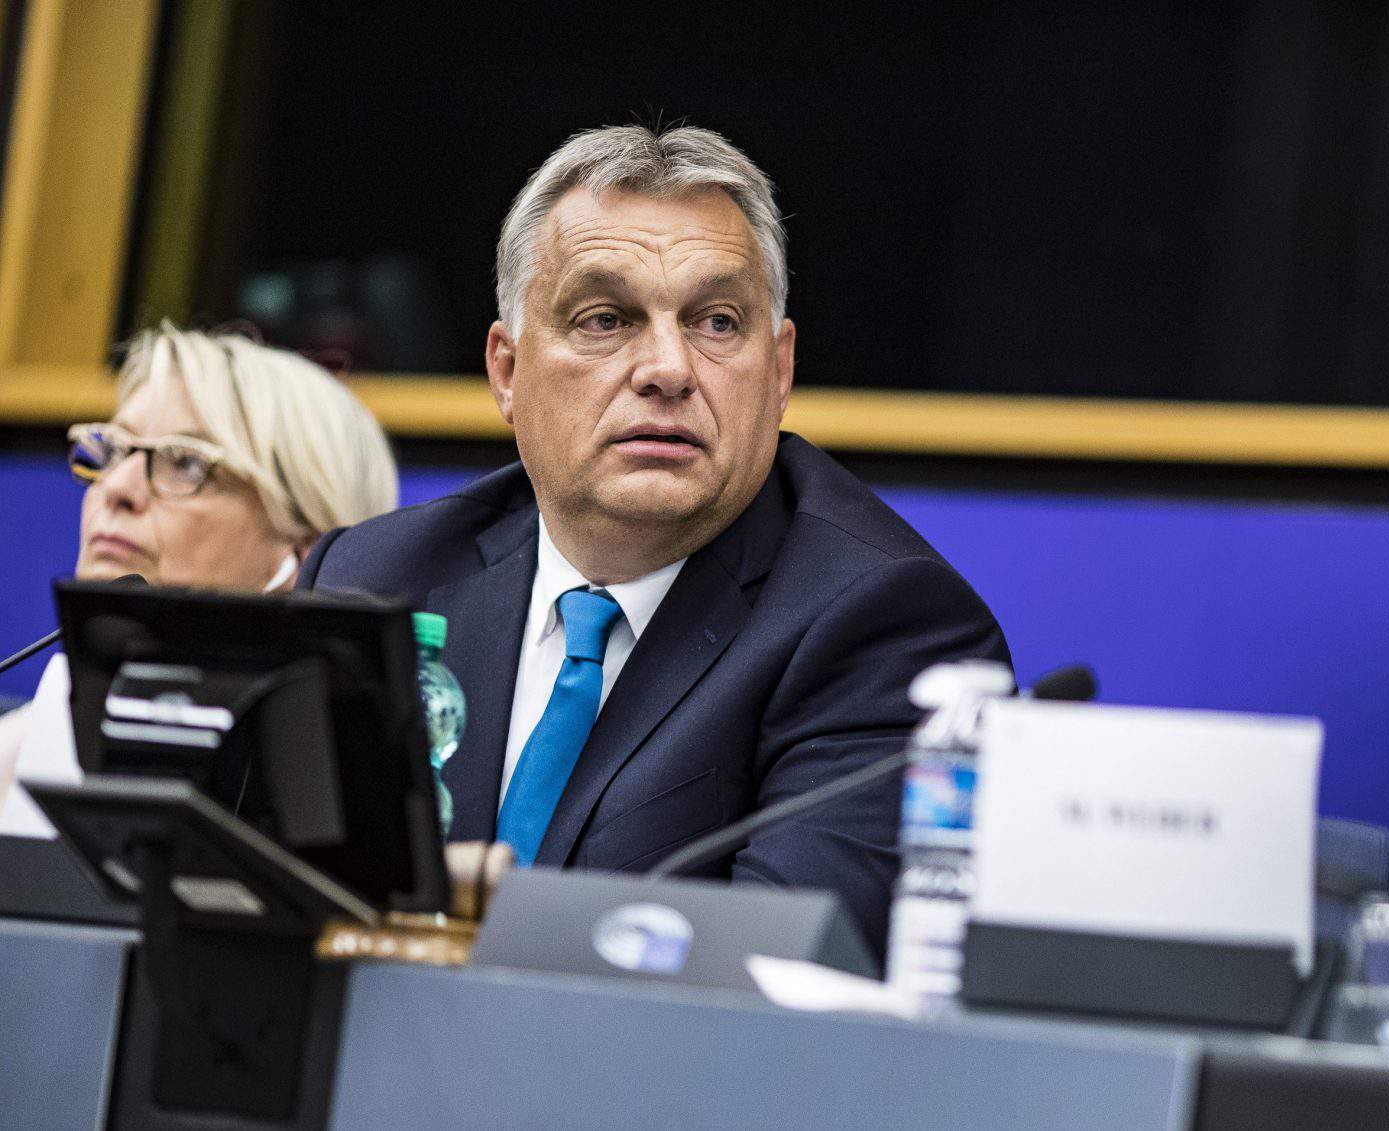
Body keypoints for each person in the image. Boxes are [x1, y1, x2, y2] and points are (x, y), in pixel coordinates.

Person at [298, 124, 1009, 955]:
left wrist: (477, 906)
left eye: (717, 322)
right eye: (605, 319)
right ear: (507, 370)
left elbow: (777, 968)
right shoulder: (376, 578)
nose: (669, 368)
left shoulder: (886, 624)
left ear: (779, 371)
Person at [0, 325, 398, 835]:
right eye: (113, 451)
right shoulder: (12, 755)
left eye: (185, 462)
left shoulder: (361, 814)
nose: (116, 488)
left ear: (311, 550)